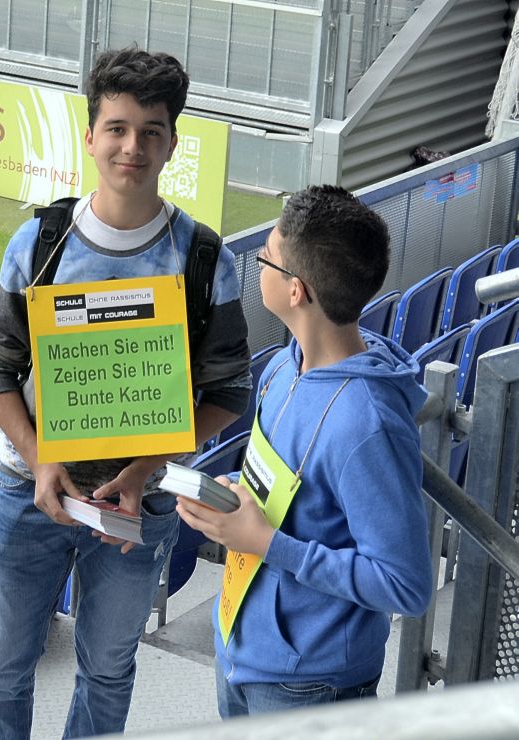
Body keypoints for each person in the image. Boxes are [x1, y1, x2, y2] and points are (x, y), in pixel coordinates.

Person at [0, 47, 252, 738]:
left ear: (172, 143)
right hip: (27, 489)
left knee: (107, 670)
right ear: (91, 135)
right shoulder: (40, 242)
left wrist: (142, 469)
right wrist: (41, 458)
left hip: (140, 503)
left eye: (151, 131)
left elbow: (230, 391)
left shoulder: (203, 258)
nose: (133, 147)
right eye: (118, 129)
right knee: (1, 669)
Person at [176, 185, 433, 717]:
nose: (259, 265)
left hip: (311, 687)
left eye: (267, 256)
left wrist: (266, 542)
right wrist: (234, 497)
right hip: (240, 649)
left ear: (296, 290)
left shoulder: (367, 425)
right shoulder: (282, 366)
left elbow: (405, 585)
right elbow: (288, 491)